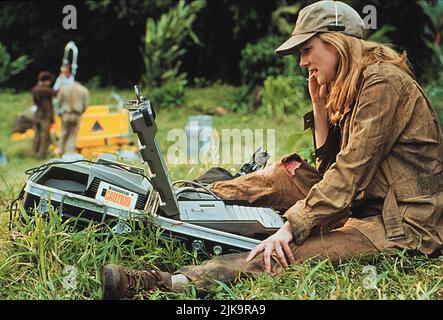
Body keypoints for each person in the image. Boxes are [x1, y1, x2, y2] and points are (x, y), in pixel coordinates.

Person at [101, 0, 443, 299]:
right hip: (360, 200)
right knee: (283, 171)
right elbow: (329, 171)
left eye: (307, 50)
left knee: (287, 252)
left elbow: (350, 172)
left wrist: (291, 227)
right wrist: (319, 107)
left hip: (401, 222)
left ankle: (169, 283)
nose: (301, 62)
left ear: (336, 44)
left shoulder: (382, 83)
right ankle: (190, 196)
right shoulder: (354, 82)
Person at [55, 81, 89, 155]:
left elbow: (58, 102)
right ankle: (69, 153)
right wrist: (81, 112)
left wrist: (59, 114)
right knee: (73, 134)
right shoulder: (84, 90)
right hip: (77, 114)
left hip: (65, 114)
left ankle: (60, 151)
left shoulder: (63, 89)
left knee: (63, 133)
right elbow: (86, 105)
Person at [30, 71, 56, 158]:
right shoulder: (45, 90)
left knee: (37, 136)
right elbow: (56, 93)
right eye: (49, 81)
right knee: (45, 136)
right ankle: (41, 155)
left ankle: (33, 152)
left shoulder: (35, 89)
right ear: (46, 80)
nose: (50, 83)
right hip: (45, 116)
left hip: (37, 115)